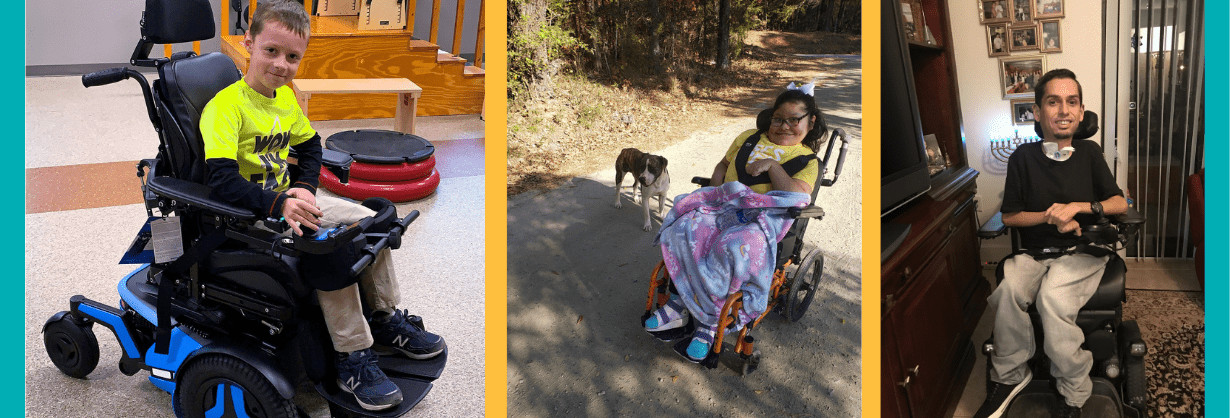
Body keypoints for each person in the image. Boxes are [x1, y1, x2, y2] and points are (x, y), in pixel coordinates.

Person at [199, 0, 444, 411]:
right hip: (250, 216)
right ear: (248, 44)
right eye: (271, 51)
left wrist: (306, 189)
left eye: (292, 57)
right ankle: (352, 360)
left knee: (371, 223)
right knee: (330, 244)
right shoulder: (226, 108)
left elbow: (311, 147)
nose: (281, 65)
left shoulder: (283, 99)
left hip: (290, 202)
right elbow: (220, 181)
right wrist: (278, 203)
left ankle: (383, 319)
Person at [973, 69, 1128, 418]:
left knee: (1053, 298)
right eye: (1053, 102)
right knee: (1008, 288)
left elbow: (1120, 204)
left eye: (1071, 102)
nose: (1063, 110)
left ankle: (1073, 391)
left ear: (1082, 110)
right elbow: (1011, 216)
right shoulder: (1022, 158)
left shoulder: (1089, 153)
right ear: (1038, 111)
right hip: (1034, 252)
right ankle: (1011, 377)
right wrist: (1048, 215)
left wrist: (1080, 207)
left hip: (1083, 251)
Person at [644, 86, 827, 362]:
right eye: (778, 118)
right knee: (686, 226)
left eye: (794, 119)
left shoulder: (808, 161)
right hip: (725, 206)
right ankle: (680, 303)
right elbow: (722, 165)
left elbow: (795, 196)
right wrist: (714, 195)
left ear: (810, 121)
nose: (784, 126)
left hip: (763, 219)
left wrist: (771, 166)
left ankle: (709, 322)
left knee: (732, 246)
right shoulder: (748, 138)